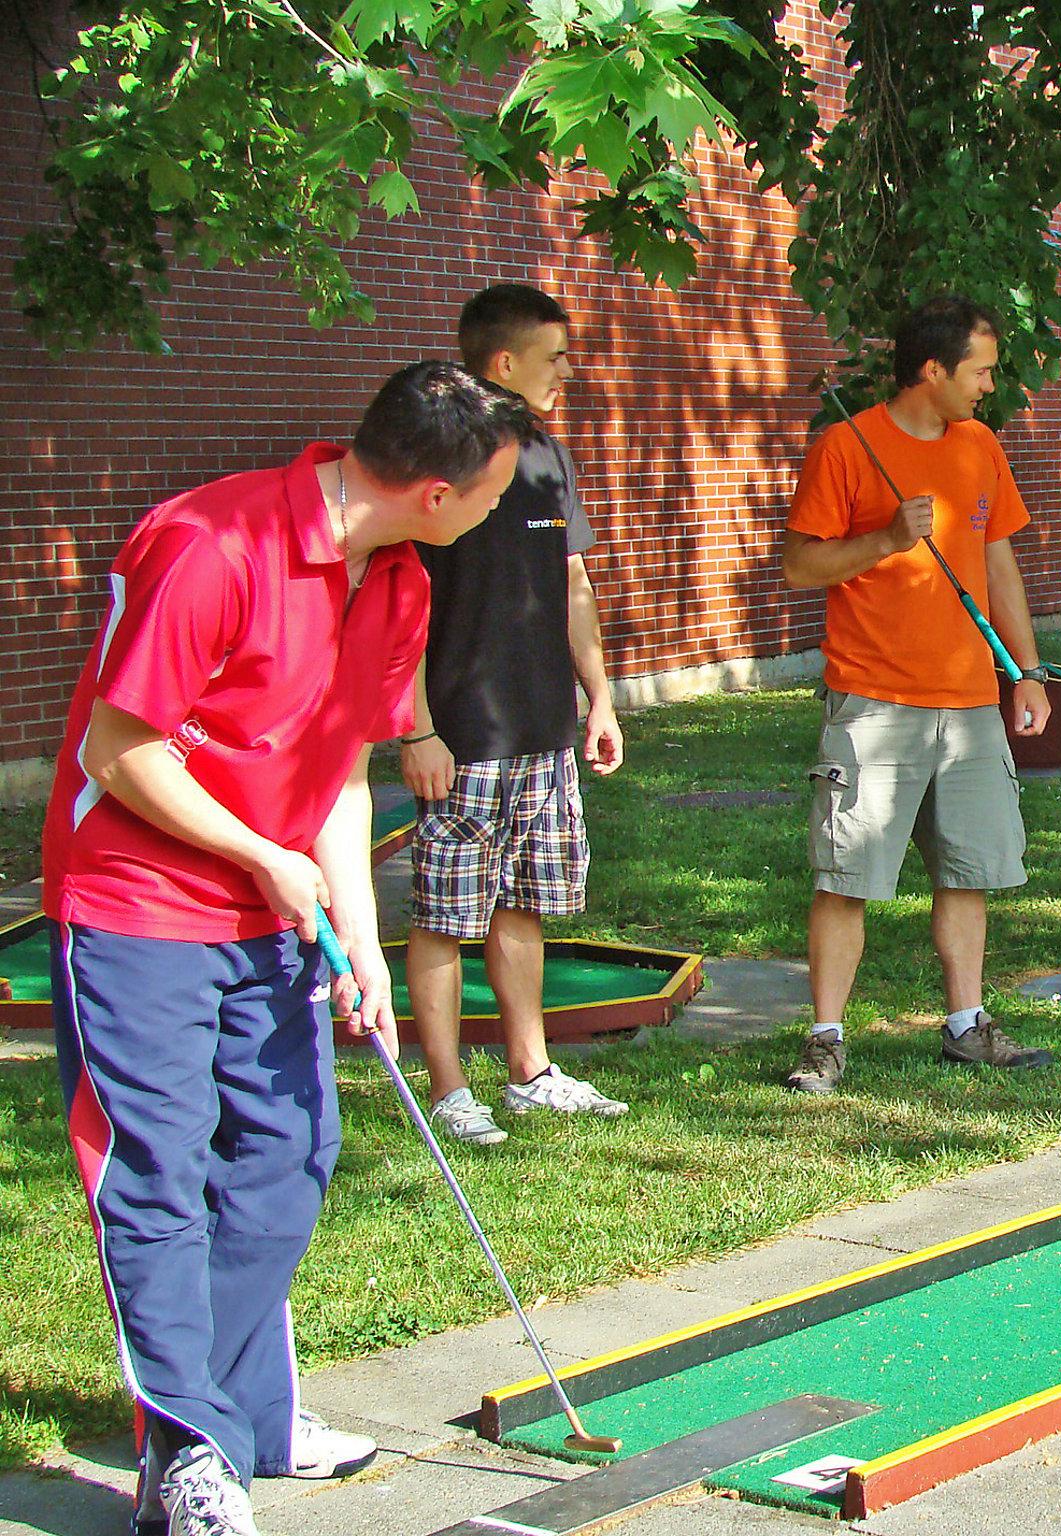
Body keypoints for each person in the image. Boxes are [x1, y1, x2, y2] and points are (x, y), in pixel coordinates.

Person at [43, 363, 530, 1536]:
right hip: (136, 905)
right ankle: (193, 1452)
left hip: (273, 915)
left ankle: (234, 1415)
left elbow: (335, 771)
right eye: (491, 493)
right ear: (430, 489)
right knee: (155, 1177)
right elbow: (123, 750)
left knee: (289, 1156)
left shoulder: (400, 579)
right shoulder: (211, 545)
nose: (498, 511)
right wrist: (261, 857)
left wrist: (360, 941)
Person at [781, 295, 1056, 1094]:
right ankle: (825, 1040)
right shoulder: (847, 445)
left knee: (967, 871)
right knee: (846, 878)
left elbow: (999, 563)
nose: (988, 387)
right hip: (872, 701)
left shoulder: (981, 447)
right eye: (980, 371)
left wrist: (1027, 672)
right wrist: (888, 540)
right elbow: (802, 566)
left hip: (969, 703)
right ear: (932, 370)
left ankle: (967, 1027)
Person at [400, 284, 627, 1146]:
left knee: (524, 904)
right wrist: (416, 724)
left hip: (545, 731)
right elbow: (399, 605)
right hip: (459, 735)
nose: (567, 372)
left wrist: (598, 696)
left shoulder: (550, 457)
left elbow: (572, 585)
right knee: (443, 916)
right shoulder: (439, 460)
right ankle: (451, 1091)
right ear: (504, 363)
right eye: (555, 358)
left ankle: (531, 1072)